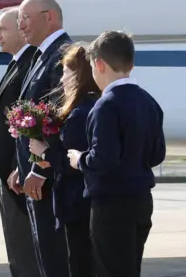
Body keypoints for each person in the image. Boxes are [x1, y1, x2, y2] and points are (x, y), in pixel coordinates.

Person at [67, 31, 165, 277]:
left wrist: (79, 159)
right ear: (130, 64)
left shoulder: (107, 104)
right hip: (141, 200)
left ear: (99, 64)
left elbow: (104, 159)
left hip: (112, 205)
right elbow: (157, 154)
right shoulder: (148, 101)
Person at [12, 0, 71, 276]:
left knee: (56, 257)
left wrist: (39, 167)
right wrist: (20, 165)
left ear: (49, 17)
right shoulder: (41, 56)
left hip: (51, 181)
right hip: (36, 179)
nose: (20, 25)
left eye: (25, 17)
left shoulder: (63, 56)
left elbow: (60, 119)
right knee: (44, 255)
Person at [29, 43, 100, 277]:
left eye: (66, 74)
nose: (61, 82)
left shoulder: (80, 113)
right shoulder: (91, 106)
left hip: (77, 205)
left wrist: (44, 152)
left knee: (81, 264)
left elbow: (76, 164)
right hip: (83, 204)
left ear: (79, 75)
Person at [0, 6, 40, 277]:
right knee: (17, 248)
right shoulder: (17, 63)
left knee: (26, 249)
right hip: (7, 173)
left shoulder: (31, 65)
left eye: (3, 29)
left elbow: (32, 122)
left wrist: (24, 165)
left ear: (21, 29)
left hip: (18, 176)